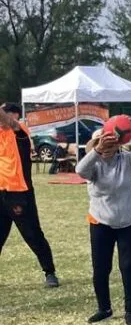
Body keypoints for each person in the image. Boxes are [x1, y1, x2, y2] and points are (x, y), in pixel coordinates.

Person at [77, 126, 131, 325]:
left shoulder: (128, 159)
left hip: (130, 221)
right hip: (100, 222)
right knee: (101, 268)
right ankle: (104, 308)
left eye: (110, 143)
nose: (106, 146)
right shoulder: (93, 164)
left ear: (118, 144)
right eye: (100, 143)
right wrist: (97, 150)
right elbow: (80, 170)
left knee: (129, 266)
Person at [0, 102, 58, 287]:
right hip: (1, 192)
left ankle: (50, 272)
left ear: (14, 115)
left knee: (33, 235)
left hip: (19, 194)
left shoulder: (20, 131)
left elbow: (8, 122)